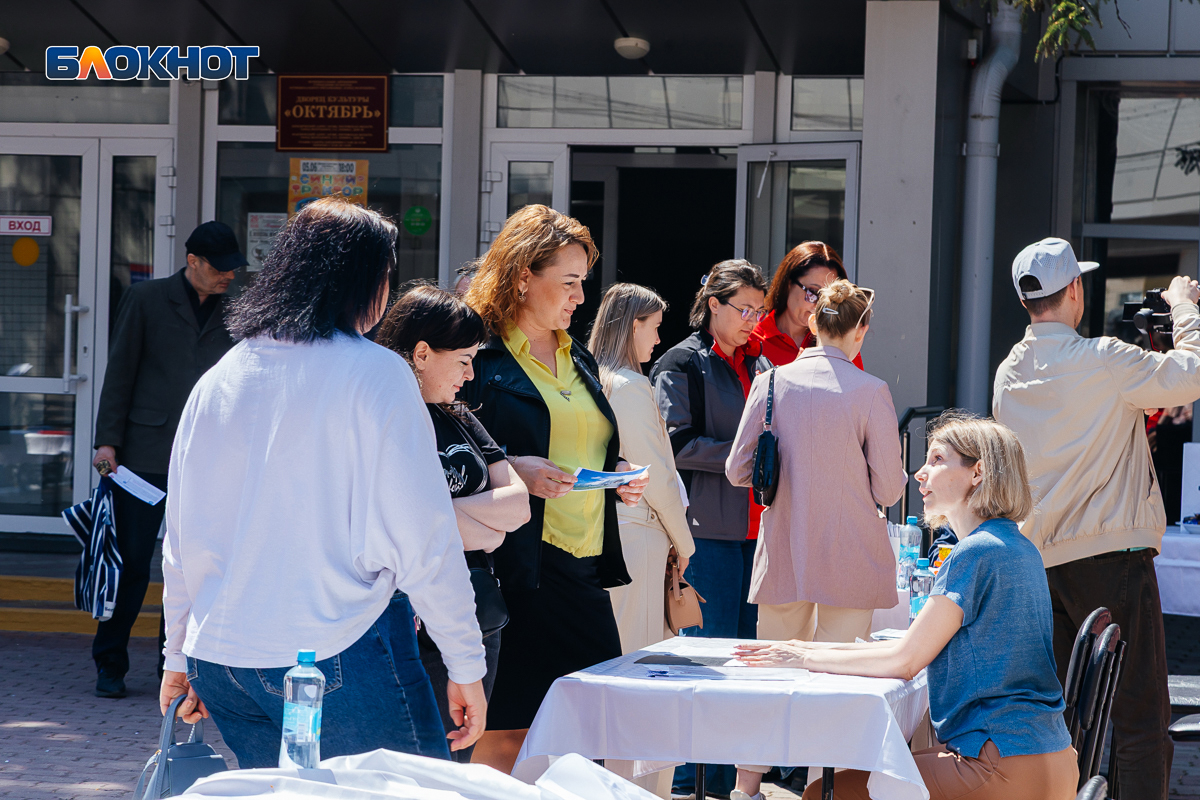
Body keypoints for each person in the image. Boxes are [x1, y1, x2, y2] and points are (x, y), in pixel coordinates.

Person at [158, 198, 488, 768]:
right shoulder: (378, 373)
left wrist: (177, 654)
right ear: (365, 281)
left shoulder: (219, 377)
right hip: (338, 647)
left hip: (223, 658)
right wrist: (465, 662)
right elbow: (423, 536)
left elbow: (181, 538)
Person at [736, 413, 1079, 800]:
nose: (920, 473)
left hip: (1002, 765)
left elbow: (905, 661)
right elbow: (911, 647)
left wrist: (802, 657)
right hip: (1050, 760)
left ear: (978, 472)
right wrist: (802, 648)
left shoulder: (975, 552)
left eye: (937, 459)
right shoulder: (1019, 547)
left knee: (823, 794)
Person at [993, 237, 1200, 800]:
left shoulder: (1009, 371)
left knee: (1067, 718)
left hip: (1043, 560)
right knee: (1139, 716)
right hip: (1112, 558)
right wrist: (1185, 307)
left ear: (1025, 300)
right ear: (1076, 291)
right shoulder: (1104, 358)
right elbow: (1190, 373)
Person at [460, 204, 649, 774]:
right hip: (517, 570)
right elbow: (447, 451)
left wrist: (616, 471)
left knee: (594, 729)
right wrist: (514, 467)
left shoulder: (577, 353)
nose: (580, 298)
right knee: (506, 732)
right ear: (523, 277)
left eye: (582, 282)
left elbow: (584, 439)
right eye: (568, 282)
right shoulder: (479, 356)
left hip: (584, 568)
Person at [725, 279, 905, 800]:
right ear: (860, 331)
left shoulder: (771, 383)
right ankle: (821, 789)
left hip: (785, 551)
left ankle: (745, 788)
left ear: (813, 322)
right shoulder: (870, 391)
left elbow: (738, 470)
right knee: (840, 686)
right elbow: (889, 489)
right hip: (851, 556)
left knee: (768, 680)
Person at [374, 284, 531, 763]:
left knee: (456, 761)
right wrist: (479, 523)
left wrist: (432, 517)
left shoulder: (459, 414)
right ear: (422, 354)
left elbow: (518, 504)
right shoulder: (381, 416)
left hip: (477, 613)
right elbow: (390, 522)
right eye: (463, 360)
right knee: (413, 766)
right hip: (405, 615)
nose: (470, 374)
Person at [90, 220, 244, 698]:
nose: (229, 276)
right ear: (192, 261)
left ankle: (171, 665)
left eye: (233, 268)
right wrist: (107, 442)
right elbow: (120, 371)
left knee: (191, 566)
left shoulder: (238, 309)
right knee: (132, 563)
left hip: (208, 457)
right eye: (219, 268)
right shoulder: (146, 299)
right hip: (144, 454)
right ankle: (109, 662)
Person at [649, 259, 771, 799]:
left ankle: (725, 786)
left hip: (756, 532)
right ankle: (687, 785)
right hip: (707, 532)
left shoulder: (760, 361)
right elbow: (674, 444)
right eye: (743, 309)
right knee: (707, 661)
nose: (752, 321)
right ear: (713, 305)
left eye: (759, 311)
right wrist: (747, 456)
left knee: (746, 663)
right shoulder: (682, 361)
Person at [588, 283, 695, 655]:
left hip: (604, 533)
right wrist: (684, 544)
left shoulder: (590, 378)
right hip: (637, 536)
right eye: (655, 326)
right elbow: (656, 478)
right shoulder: (630, 385)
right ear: (634, 325)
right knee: (637, 657)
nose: (659, 338)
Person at [751, 241, 864, 370]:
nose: (820, 304)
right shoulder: (752, 339)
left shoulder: (841, 341)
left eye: (830, 297)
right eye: (813, 292)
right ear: (788, 284)